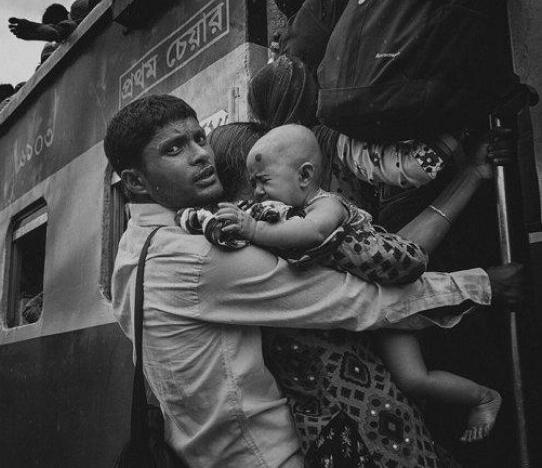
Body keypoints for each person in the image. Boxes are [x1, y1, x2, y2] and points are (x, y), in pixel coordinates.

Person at [102, 95, 525, 466]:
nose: (199, 155)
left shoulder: (138, 246)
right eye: (175, 148)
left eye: (199, 139)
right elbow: (366, 291)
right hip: (285, 450)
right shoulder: (220, 249)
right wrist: (482, 285)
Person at [186, 124, 502, 443]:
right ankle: (480, 396)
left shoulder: (318, 213)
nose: (259, 196)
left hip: (359, 386)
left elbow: (398, 260)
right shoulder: (265, 230)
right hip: (343, 394)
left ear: (304, 176)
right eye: (253, 185)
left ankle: (482, 396)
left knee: (413, 381)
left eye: (264, 182)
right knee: (414, 381)